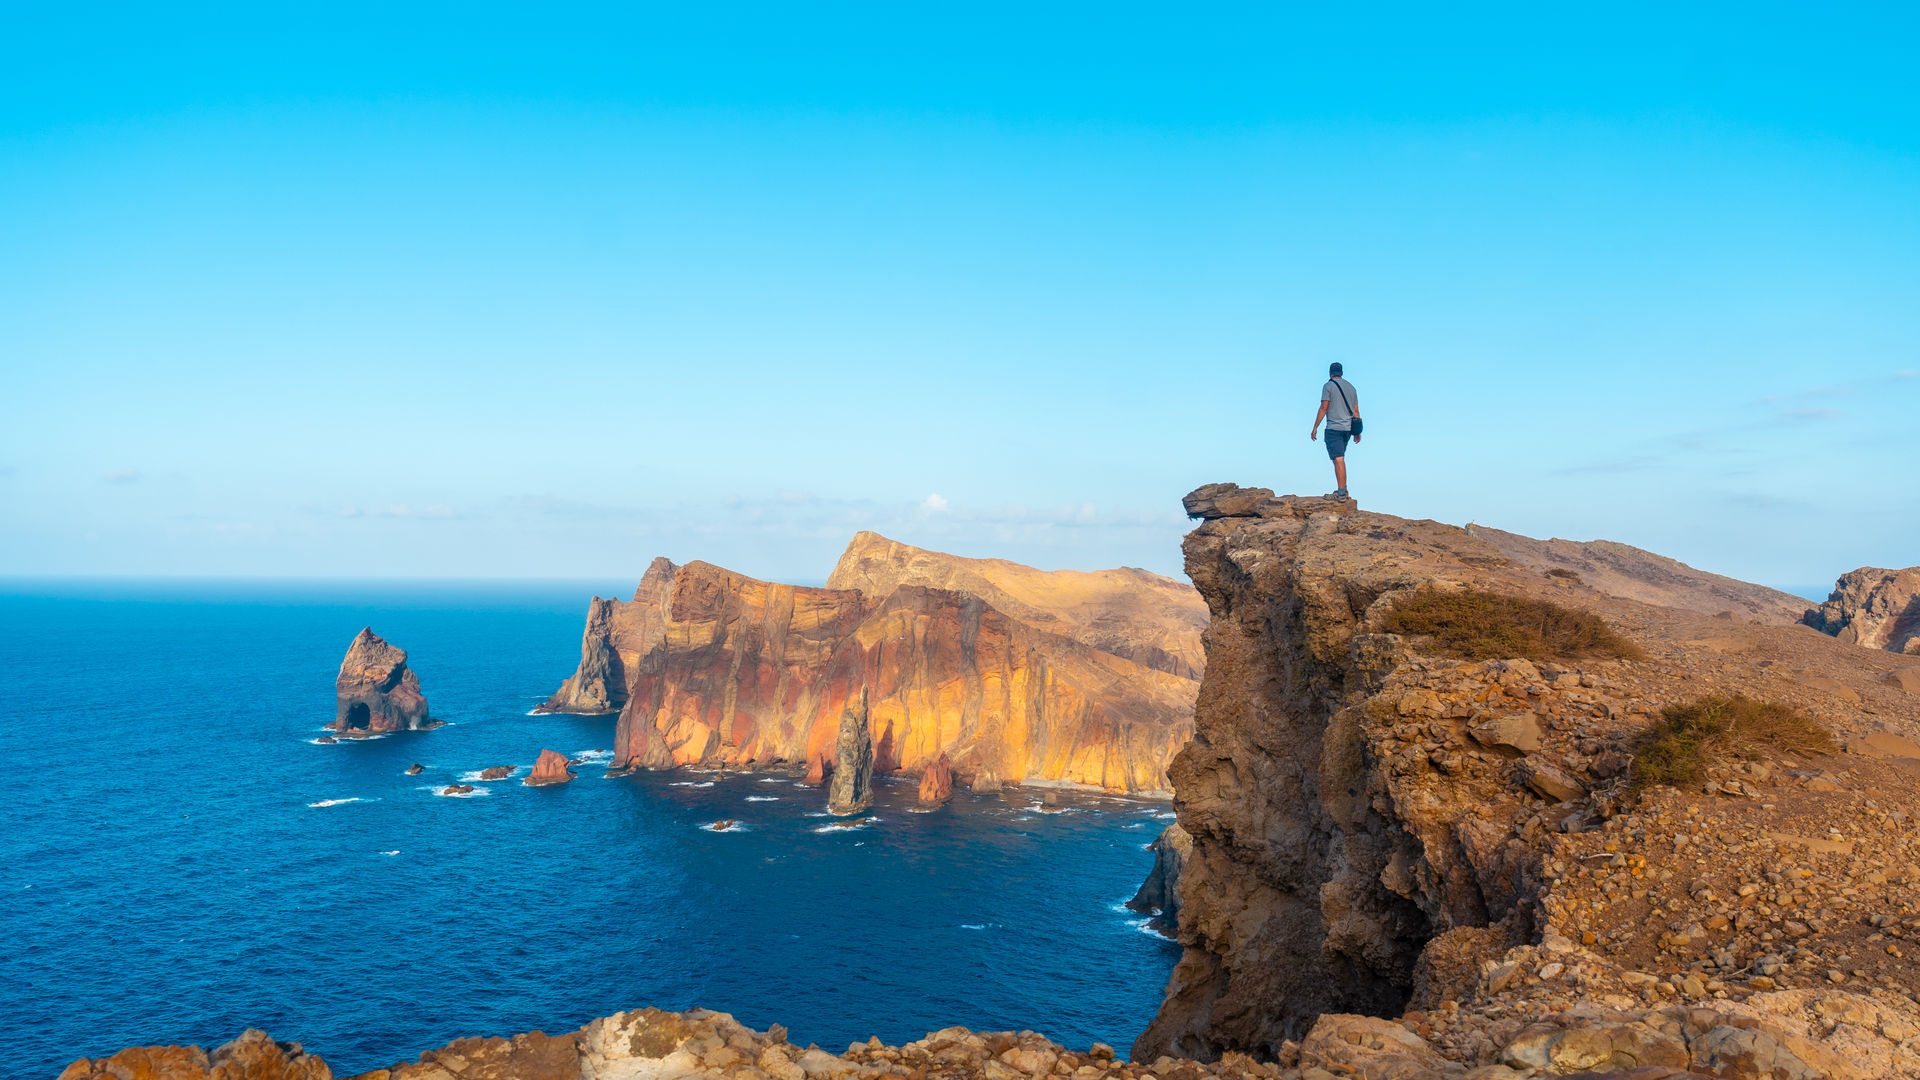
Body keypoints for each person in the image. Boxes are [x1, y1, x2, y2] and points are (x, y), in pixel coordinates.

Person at [1308, 362, 1360, 499]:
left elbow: (1324, 407)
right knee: (1339, 458)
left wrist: (1315, 427)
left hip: (1334, 428)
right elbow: (1356, 411)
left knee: (1338, 459)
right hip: (1348, 429)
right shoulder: (1351, 388)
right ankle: (1343, 489)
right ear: (1341, 372)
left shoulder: (1328, 386)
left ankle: (1342, 493)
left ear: (1330, 373)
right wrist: (1357, 432)